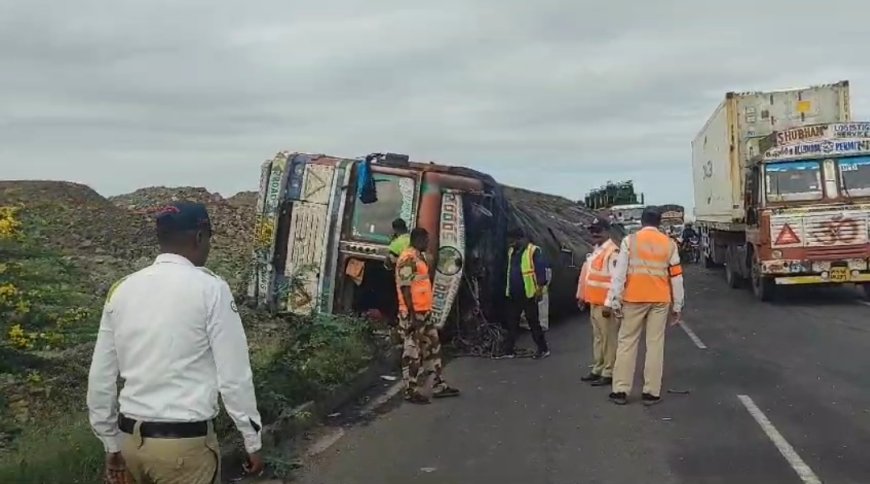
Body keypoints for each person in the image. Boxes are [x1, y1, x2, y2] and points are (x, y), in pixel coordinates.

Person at [87, 202, 264, 483]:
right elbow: (233, 376)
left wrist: (110, 443)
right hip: (184, 449)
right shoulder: (211, 289)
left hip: (129, 443)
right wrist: (252, 439)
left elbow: (101, 377)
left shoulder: (122, 289)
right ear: (199, 237)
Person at [606, 207, 684, 406]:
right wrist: (677, 306)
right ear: (659, 223)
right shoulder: (669, 244)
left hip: (634, 298)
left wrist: (615, 300)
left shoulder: (629, 241)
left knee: (627, 343)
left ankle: (620, 390)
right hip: (660, 299)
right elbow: (676, 277)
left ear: (642, 222)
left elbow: (619, 274)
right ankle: (651, 392)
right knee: (655, 344)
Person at [396, 227, 460, 404]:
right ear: (418, 239)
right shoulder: (408, 258)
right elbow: (405, 287)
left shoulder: (418, 257)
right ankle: (411, 390)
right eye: (426, 240)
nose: (428, 243)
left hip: (424, 313)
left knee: (433, 348)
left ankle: (438, 385)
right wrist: (412, 315)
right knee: (412, 352)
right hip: (413, 314)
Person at [577, 218, 621, 387]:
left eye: (598, 230)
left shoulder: (612, 252)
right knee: (598, 338)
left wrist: (609, 304)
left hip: (604, 305)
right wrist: (582, 296)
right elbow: (587, 277)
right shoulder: (596, 251)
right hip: (594, 302)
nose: (594, 234)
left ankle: (609, 371)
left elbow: (615, 281)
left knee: (609, 339)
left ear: (607, 232)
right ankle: (598, 368)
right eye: (592, 230)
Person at [499, 228, 550, 359]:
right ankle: (509, 350)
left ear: (520, 239)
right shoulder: (512, 252)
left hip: (529, 293)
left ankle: (543, 349)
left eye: (513, 240)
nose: (511, 243)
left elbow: (541, 272)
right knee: (512, 322)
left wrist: (539, 289)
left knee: (533, 322)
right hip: (514, 293)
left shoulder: (533, 251)